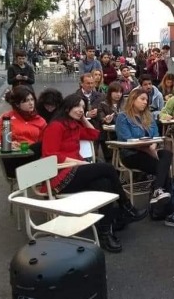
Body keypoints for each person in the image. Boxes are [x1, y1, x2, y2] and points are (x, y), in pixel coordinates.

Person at [41, 94, 147, 253]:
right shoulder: (56, 126)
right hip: (59, 177)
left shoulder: (74, 125)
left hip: (75, 172)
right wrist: (78, 162)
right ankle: (127, 207)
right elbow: (50, 155)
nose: (80, 110)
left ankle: (105, 232)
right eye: (77, 106)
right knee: (107, 168)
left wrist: (83, 119)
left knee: (104, 184)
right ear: (67, 106)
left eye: (83, 107)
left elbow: (95, 135)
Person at [114, 89, 174, 227]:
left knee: (167, 155)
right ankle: (170, 212)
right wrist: (148, 148)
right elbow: (128, 140)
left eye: (146, 100)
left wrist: (153, 147)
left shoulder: (148, 116)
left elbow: (156, 135)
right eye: (142, 99)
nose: (145, 102)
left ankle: (158, 190)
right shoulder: (123, 117)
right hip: (132, 154)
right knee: (163, 170)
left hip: (150, 150)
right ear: (133, 99)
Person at [0, 86, 46, 175]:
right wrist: (8, 145)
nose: (31, 103)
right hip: (13, 160)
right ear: (17, 104)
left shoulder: (40, 121)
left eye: (32, 99)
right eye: (26, 101)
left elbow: (45, 144)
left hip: (34, 159)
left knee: (47, 141)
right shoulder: (7, 118)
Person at [97, 82, 124, 161]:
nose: (118, 94)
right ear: (110, 93)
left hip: (122, 133)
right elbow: (100, 117)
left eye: (120, 92)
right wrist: (106, 120)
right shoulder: (103, 104)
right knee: (111, 159)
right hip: (109, 135)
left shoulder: (125, 104)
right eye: (116, 92)